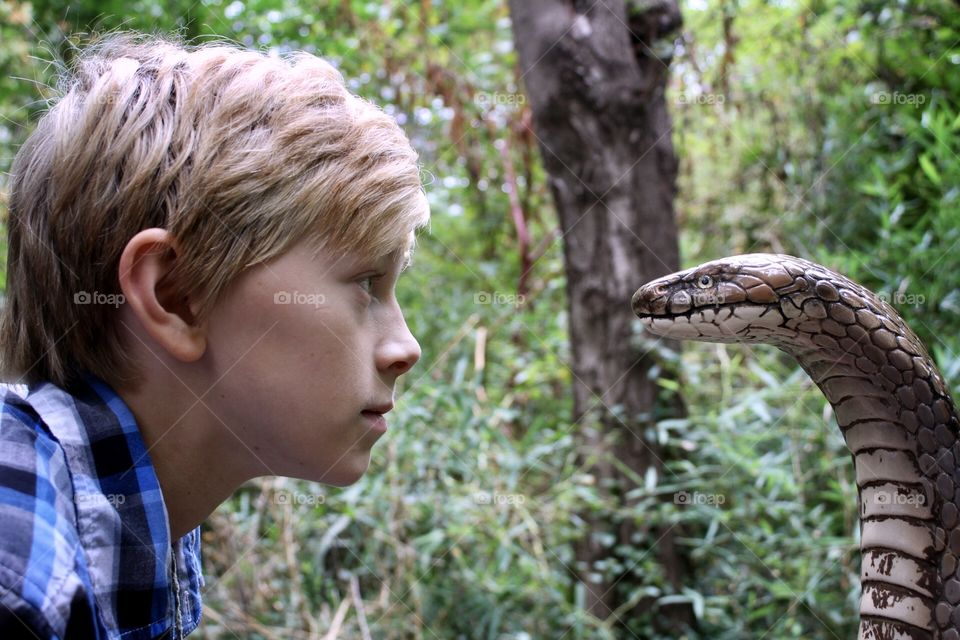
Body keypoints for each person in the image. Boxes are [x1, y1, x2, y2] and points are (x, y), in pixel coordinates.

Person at [0, 33, 428, 638]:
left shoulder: (141, 520)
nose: (405, 348)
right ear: (175, 297)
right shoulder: (19, 581)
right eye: (364, 283)